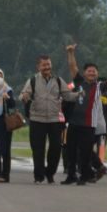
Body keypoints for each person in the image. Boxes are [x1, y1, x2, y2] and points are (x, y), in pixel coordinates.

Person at [63, 45, 107, 185]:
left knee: (85, 153)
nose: (92, 73)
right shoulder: (79, 81)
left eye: (94, 71)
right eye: (89, 71)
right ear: (84, 73)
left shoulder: (100, 86)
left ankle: (84, 177)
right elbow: (73, 67)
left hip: (89, 124)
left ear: (97, 74)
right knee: (71, 151)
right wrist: (71, 52)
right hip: (74, 122)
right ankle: (71, 176)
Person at [19, 53, 79, 184]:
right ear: (38, 67)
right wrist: (24, 96)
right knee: (38, 149)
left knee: (56, 148)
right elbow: (24, 94)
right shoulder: (33, 80)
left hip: (54, 120)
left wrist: (80, 94)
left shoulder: (58, 80)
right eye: (44, 65)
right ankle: (39, 176)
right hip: (37, 119)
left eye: (48, 64)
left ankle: (50, 173)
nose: (47, 67)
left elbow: (68, 96)